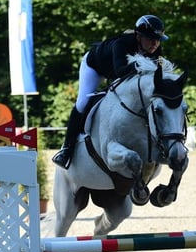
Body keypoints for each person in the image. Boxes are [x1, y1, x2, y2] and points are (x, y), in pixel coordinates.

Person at [52, 14, 169, 169]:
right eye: (150, 38)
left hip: (119, 71)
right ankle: (67, 149)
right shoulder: (121, 44)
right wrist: (141, 65)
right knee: (83, 102)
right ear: (138, 36)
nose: (155, 43)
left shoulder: (155, 47)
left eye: (158, 39)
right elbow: (120, 71)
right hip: (95, 67)